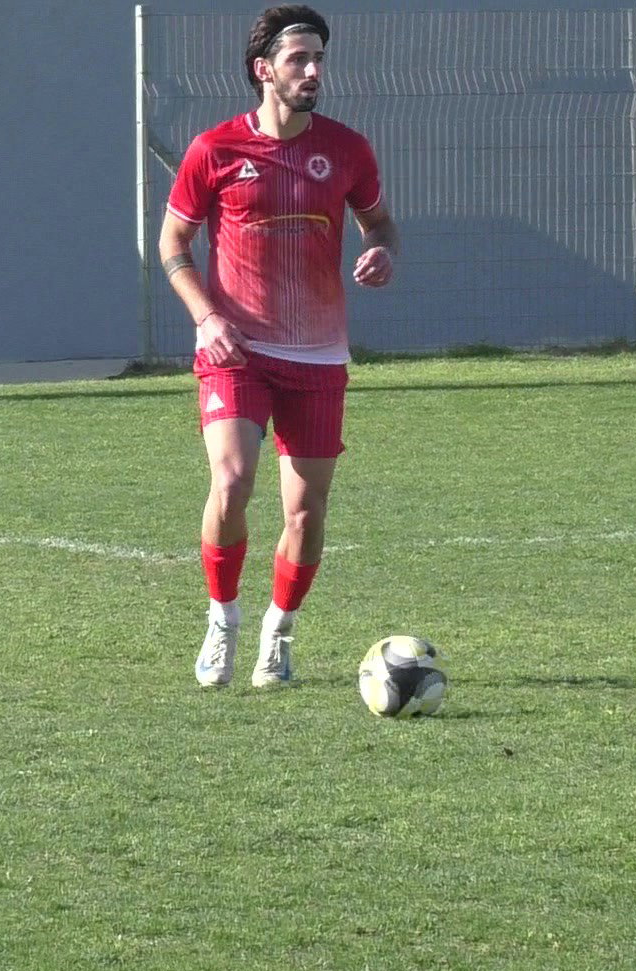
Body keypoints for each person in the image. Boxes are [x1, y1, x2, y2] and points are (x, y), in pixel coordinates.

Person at [159, 5, 398, 689]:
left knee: (305, 510)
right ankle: (222, 621)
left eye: (319, 58)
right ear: (264, 70)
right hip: (236, 350)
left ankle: (279, 634)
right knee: (232, 482)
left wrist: (382, 250)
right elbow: (173, 243)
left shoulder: (348, 150)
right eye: (299, 59)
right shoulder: (215, 150)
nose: (313, 70)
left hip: (318, 357)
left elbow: (380, 223)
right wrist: (207, 318)